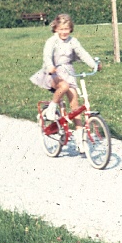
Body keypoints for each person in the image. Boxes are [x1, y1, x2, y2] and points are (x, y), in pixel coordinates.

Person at [30, 13, 101, 152]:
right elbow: (47, 56)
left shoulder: (73, 41)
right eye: (61, 29)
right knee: (64, 86)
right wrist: (50, 66)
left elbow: (82, 53)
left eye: (66, 29)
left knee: (75, 106)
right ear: (56, 28)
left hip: (68, 72)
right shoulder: (52, 41)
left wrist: (94, 65)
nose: (64, 32)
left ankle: (80, 140)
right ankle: (51, 109)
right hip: (53, 72)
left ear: (70, 29)